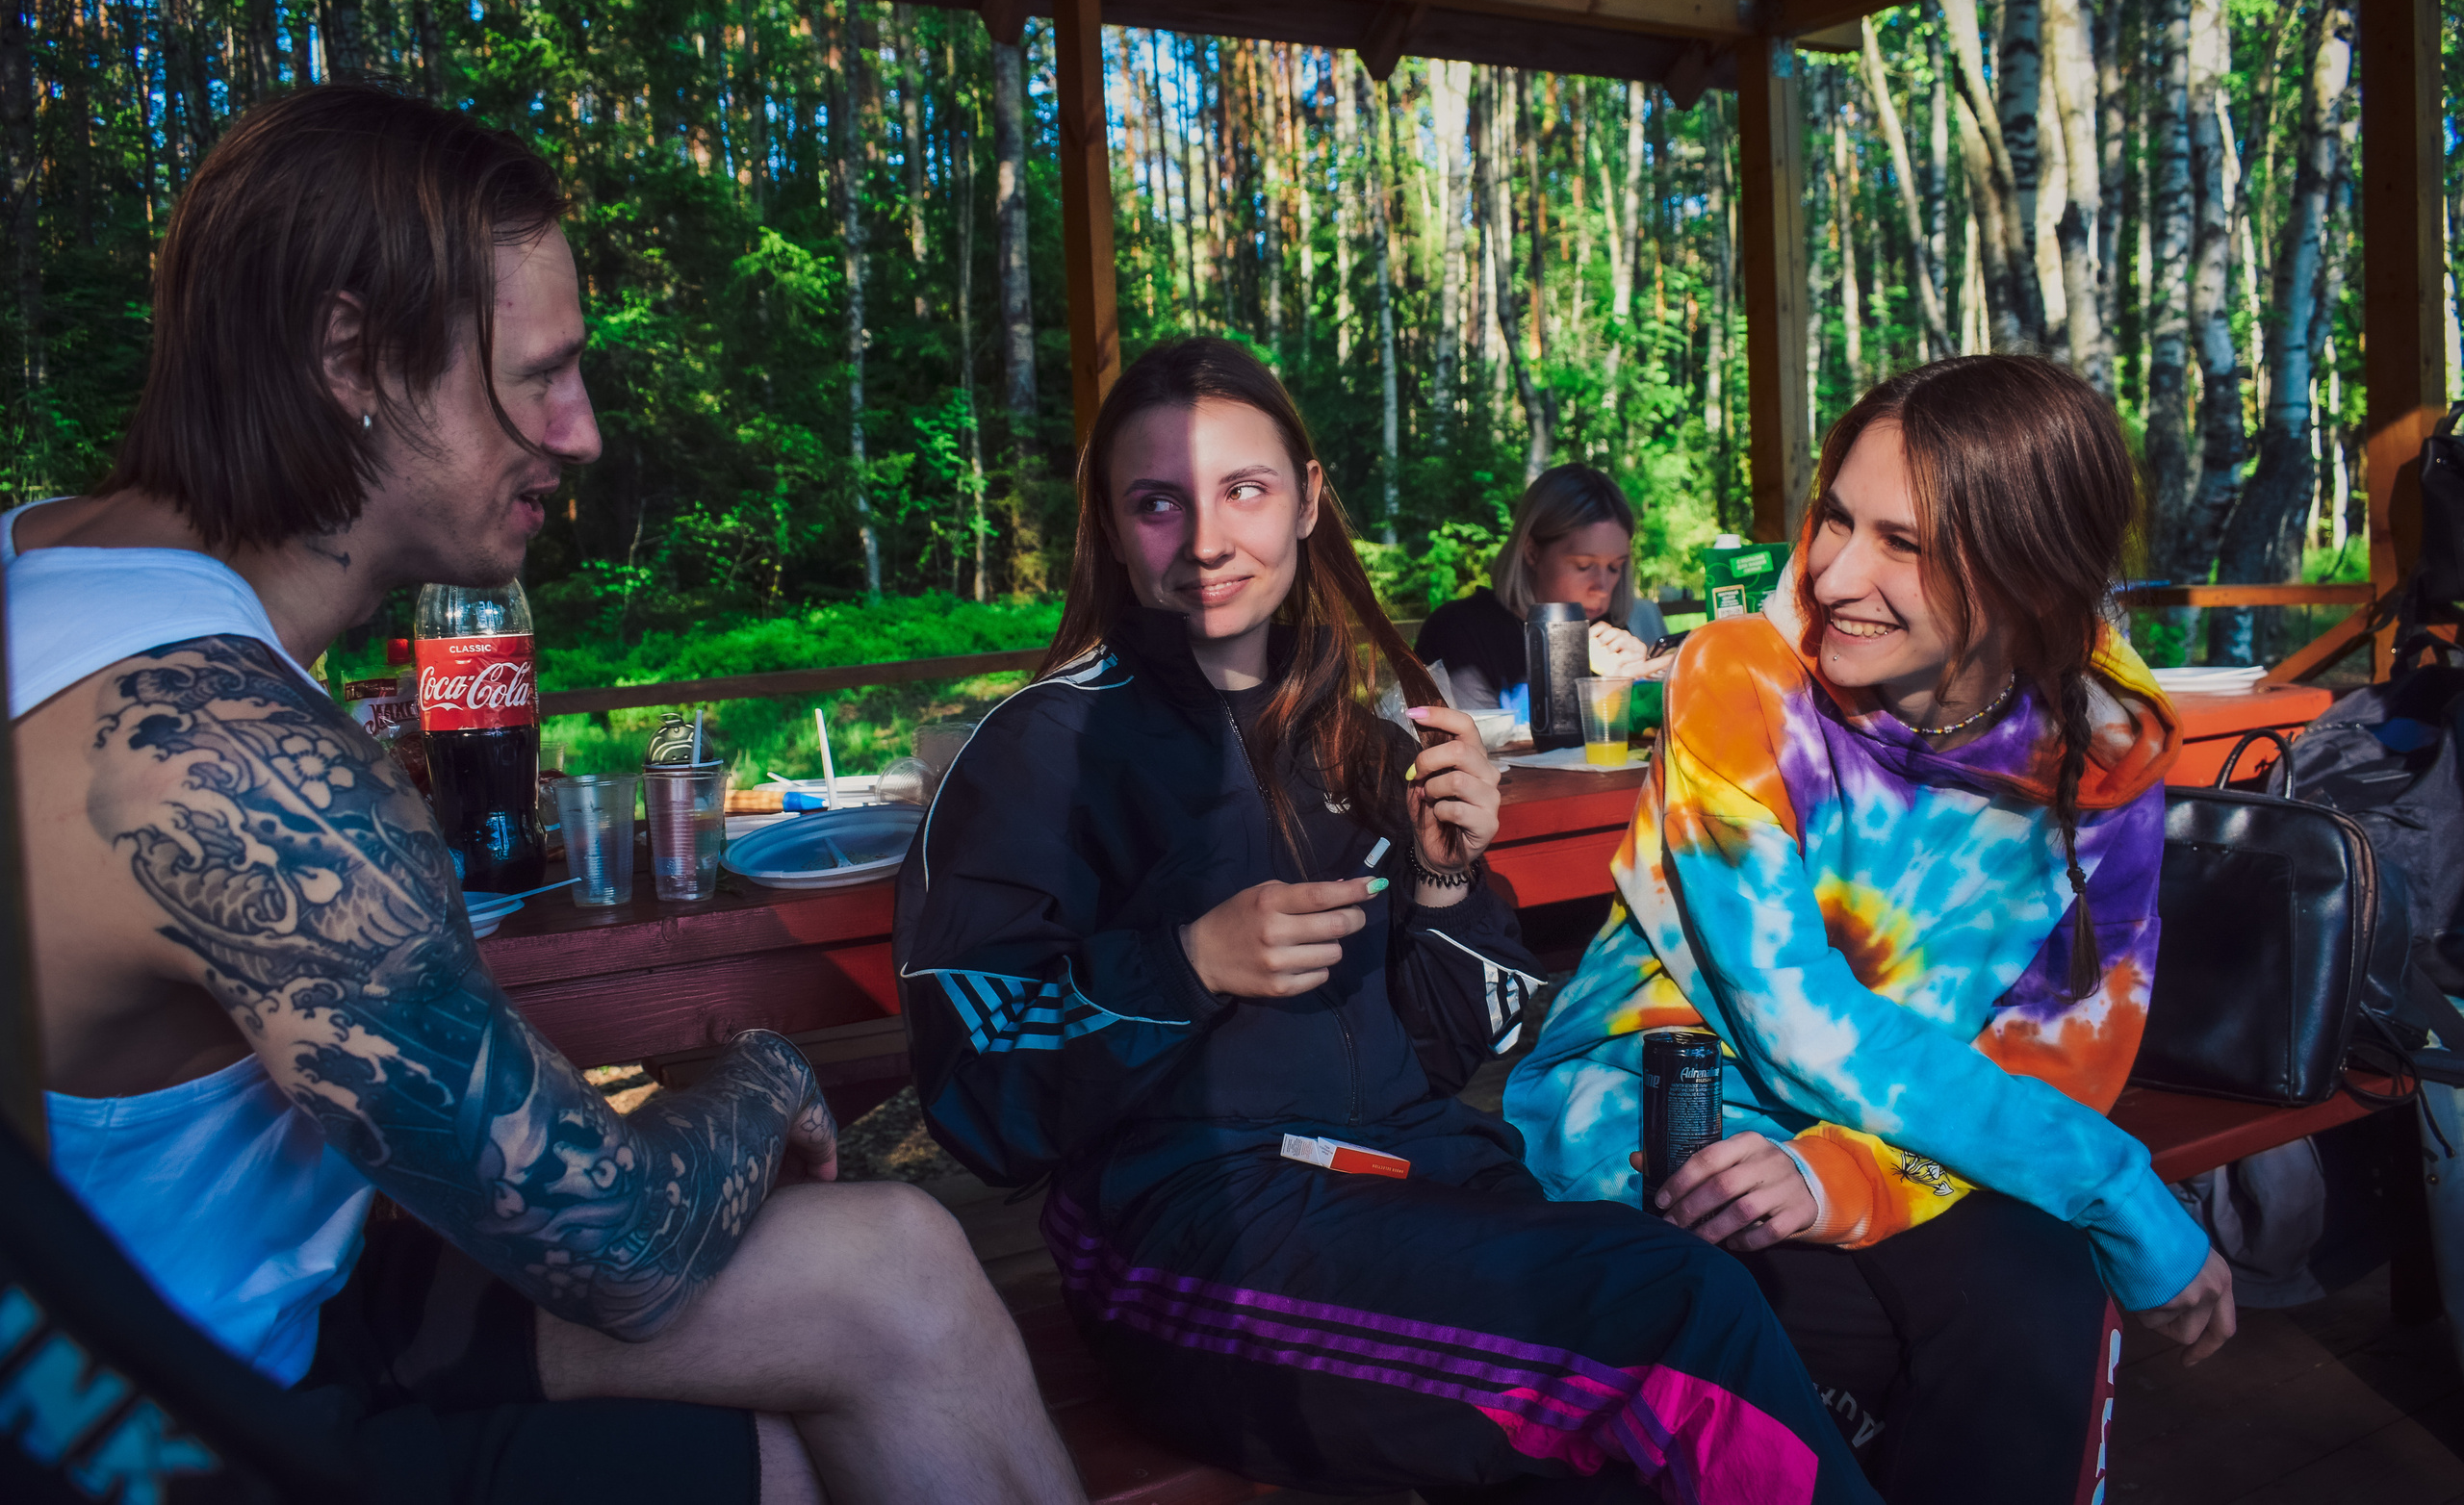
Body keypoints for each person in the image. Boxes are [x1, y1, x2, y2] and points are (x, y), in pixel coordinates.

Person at [12, 82, 1081, 1505]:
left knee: (892, 1267)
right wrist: (764, 1075)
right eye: (536, 373)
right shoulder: (217, 747)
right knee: (790, 1454)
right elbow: (626, 1246)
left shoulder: (49, 562)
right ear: (354, 358)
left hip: (260, 1300)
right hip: (160, 1424)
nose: (578, 431)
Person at [896, 338, 1882, 1505]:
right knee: (1671, 1320)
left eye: (1243, 491)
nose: (1207, 540)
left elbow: (1453, 1050)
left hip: (1418, 1178)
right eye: (1157, 503)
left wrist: (1448, 880)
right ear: (1110, 528)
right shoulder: (1038, 756)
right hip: (1193, 1236)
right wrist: (1182, 965)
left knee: (1772, 1316)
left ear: (1308, 499)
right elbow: (978, 1096)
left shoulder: (1362, 739)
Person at [1504, 356, 2236, 1504]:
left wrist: (1842, 1172)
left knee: (2034, 1293)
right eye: (1835, 518)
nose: (1836, 571)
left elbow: (2062, 1057)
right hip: (1672, 1094)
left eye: (1905, 542)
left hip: (1921, 1132)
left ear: (2034, 568)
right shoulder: (1739, 677)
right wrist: (2125, 1195)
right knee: (1758, 1319)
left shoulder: (2101, 753)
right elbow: (1793, 1017)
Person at [1414, 464, 1670, 712]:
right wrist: (1603, 690)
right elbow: (1480, 749)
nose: (1602, 587)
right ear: (1532, 552)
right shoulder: (1461, 633)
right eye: (1583, 566)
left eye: (1615, 567)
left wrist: (1640, 683)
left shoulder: (1605, 635)